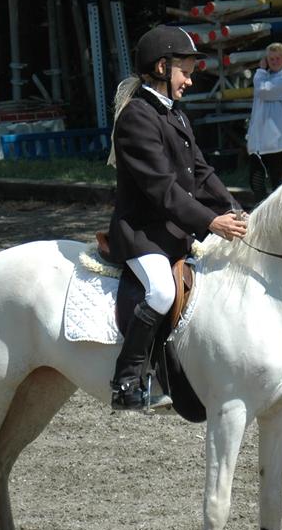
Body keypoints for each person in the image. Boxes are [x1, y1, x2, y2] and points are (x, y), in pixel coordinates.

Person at [105, 25, 248, 411]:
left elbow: (200, 173)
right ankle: (127, 378)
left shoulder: (176, 116)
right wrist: (211, 223)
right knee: (162, 291)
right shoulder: (136, 118)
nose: (190, 78)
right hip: (141, 233)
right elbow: (162, 189)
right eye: (185, 70)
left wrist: (232, 209)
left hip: (171, 231)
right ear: (162, 67)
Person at [245, 42, 282, 201]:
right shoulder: (267, 77)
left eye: (277, 58)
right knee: (256, 181)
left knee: (277, 183)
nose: (274, 61)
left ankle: (277, 218)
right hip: (260, 143)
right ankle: (261, 213)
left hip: (277, 143)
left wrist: (260, 70)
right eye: (271, 58)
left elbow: (263, 91)